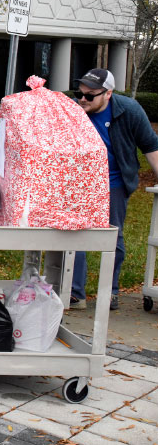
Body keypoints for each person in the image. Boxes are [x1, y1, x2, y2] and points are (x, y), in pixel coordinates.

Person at [69, 68, 157, 311]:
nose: (82, 99)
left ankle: (110, 292)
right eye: (80, 93)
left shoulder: (129, 110)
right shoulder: (73, 111)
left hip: (115, 181)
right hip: (79, 182)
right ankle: (75, 293)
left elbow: (151, 147)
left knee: (112, 236)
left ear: (108, 94)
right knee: (75, 233)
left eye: (90, 95)